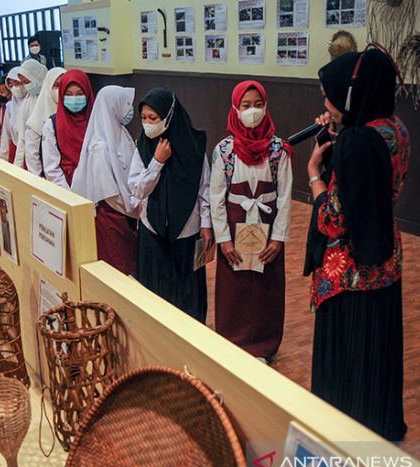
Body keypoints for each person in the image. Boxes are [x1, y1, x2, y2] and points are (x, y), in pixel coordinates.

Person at [305, 46, 409, 441]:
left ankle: (342, 438)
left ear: (351, 93)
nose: (326, 104)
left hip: (349, 273)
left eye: (328, 96)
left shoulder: (355, 143)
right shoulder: (394, 130)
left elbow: (332, 219)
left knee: (348, 362)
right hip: (386, 260)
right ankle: (377, 428)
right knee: (377, 356)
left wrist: (316, 173)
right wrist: (339, 133)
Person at [210, 81, 294, 363]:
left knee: (264, 289)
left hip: (266, 229)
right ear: (235, 108)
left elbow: (284, 196)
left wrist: (278, 238)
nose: (252, 111)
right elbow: (216, 197)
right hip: (235, 230)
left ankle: (263, 344)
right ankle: (232, 341)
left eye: (258, 105)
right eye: (246, 106)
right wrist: (223, 239)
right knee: (235, 288)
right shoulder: (224, 151)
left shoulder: (278, 150)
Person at [128, 88, 213, 322]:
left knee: (187, 295)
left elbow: (204, 189)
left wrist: (206, 224)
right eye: (143, 118)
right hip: (152, 230)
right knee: (156, 292)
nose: (147, 124)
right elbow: (136, 188)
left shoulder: (194, 146)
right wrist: (156, 162)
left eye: (153, 118)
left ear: (169, 115)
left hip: (187, 229)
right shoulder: (144, 145)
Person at [72, 85, 139, 276]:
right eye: (126, 104)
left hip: (127, 213)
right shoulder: (100, 147)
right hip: (113, 216)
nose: (129, 110)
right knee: (118, 270)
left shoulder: (120, 132)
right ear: (113, 106)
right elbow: (109, 194)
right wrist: (136, 209)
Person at [23, 67, 66, 176]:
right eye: (55, 86)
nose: (59, 90)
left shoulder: (74, 113)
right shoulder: (38, 118)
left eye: (63, 85)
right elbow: (32, 156)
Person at [12, 59, 48, 168]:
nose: (26, 86)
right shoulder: (28, 100)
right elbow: (22, 136)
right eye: (23, 83)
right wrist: (17, 166)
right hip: (33, 157)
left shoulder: (49, 98)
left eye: (27, 82)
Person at [0, 67, 24, 163]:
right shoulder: (10, 106)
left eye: (17, 83)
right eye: (11, 85)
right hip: (15, 147)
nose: (14, 88)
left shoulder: (34, 103)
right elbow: (6, 134)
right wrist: (3, 160)